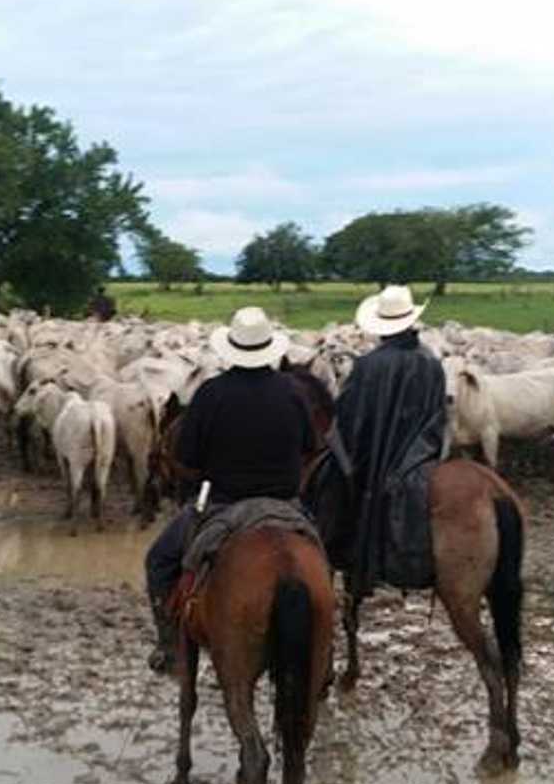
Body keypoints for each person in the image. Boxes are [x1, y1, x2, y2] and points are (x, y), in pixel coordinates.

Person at [144, 306, 313, 673]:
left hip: (223, 505)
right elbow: (309, 447)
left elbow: (187, 456)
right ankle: (324, 655)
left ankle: (170, 646)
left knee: (158, 560)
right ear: (269, 347)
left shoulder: (210, 393)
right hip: (286, 505)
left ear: (232, 349)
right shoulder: (294, 391)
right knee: (323, 561)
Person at [328, 284, 447, 596]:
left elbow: (349, 417)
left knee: (333, 487)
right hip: (419, 453)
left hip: (375, 456)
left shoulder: (368, 365)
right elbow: (438, 416)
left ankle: (347, 555)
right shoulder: (431, 362)